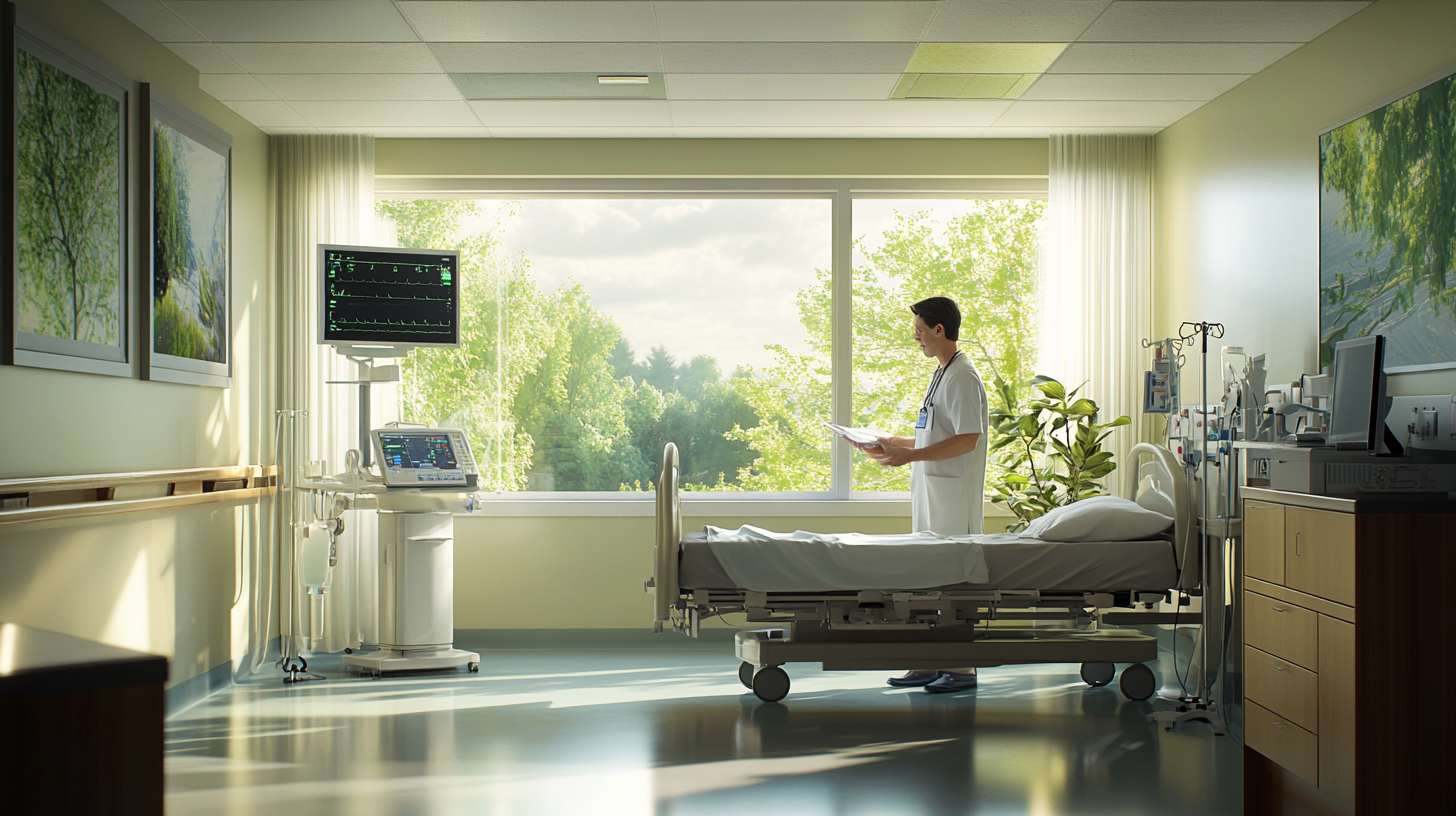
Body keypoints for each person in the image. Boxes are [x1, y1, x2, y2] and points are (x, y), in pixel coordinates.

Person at [851, 296, 988, 694]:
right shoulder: (942, 373)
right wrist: (891, 442)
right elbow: (938, 433)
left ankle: (961, 669)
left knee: (952, 581)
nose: (917, 340)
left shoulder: (962, 375)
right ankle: (929, 661)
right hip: (933, 493)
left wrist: (910, 455)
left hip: (952, 498)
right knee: (930, 580)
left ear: (939, 330)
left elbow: (967, 440)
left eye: (919, 332)